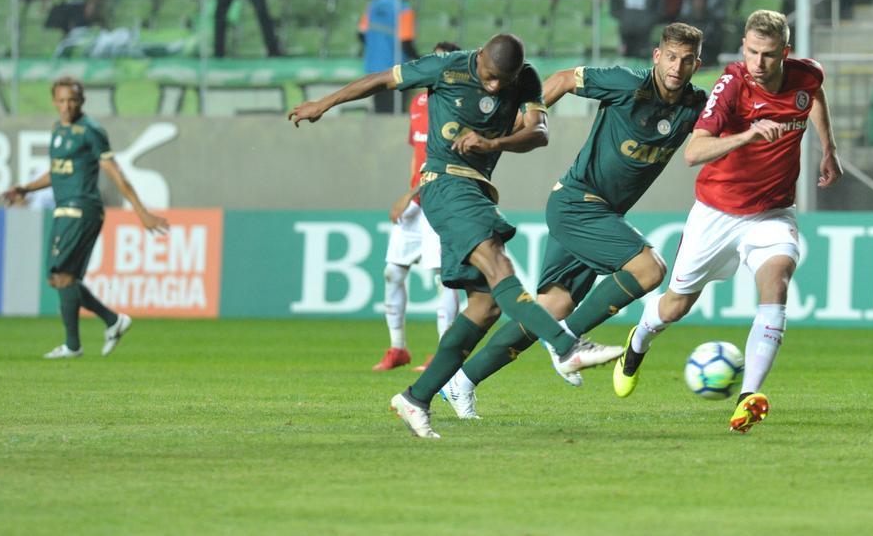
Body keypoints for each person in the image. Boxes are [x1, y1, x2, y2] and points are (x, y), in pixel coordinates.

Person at [287, 35, 624, 439]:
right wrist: (324, 104)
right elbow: (379, 80)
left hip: (477, 188)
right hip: (445, 184)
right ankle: (566, 347)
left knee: (484, 307)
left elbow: (539, 132)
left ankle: (416, 397)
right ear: (479, 57)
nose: (496, 87)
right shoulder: (444, 68)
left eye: (505, 80)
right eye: (491, 77)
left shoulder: (525, 79)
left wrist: (494, 142)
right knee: (498, 262)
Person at [440, 24, 708, 415]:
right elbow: (564, 79)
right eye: (671, 56)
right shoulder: (626, 83)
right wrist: (516, 126)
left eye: (686, 60)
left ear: (696, 64)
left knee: (551, 306)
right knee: (650, 269)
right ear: (656, 56)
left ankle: (461, 381)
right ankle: (568, 340)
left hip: (598, 212)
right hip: (577, 204)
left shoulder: (694, 105)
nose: (677, 67)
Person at [615, 9, 843, 434]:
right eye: (752, 52)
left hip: (772, 211)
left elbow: (814, 96)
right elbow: (692, 153)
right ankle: (639, 339)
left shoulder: (806, 75)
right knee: (676, 305)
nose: (758, 62)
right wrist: (749, 134)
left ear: (785, 54)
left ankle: (748, 397)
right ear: (743, 47)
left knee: (776, 282)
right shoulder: (731, 86)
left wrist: (829, 148)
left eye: (769, 55)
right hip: (717, 211)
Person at [1, 77, 168, 359]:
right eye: (62, 100)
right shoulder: (58, 130)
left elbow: (115, 172)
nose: (67, 106)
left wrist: (141, 211)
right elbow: (57, 172)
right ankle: (111, 322)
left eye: (73, 100)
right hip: (65, 206)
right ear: (54, 101)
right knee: (59, 278)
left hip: (82, 208)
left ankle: (74, 345)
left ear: (82, 101)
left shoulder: (91, 131)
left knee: (62, 275)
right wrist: (26, 188)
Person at [374, 40, 465, 372]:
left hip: (442, 200)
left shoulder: (459, 107)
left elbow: (446, 162)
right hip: (416, 201)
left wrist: (408, 194)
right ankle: (398, 348)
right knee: (392, 272)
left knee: (445, 278)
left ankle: (444, 352)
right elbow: (419, 156)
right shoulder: (418, 103)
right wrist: (410, 193)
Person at [359, 0, 420, 113]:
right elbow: (406, 43)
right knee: (395, 113)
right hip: (395, 71)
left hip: (373, 67)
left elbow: (361, 33)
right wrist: (421, 60)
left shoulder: (375, 4)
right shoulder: (404, 10)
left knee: (380, 110)